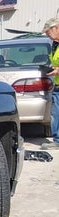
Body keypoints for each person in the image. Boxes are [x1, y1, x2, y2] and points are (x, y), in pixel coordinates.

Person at [42, 18, 59, 147]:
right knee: (56, 113)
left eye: (48, 31)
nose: (47, 35)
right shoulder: (54, 45)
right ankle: (57, 140)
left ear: (56, 28)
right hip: (57, 86)